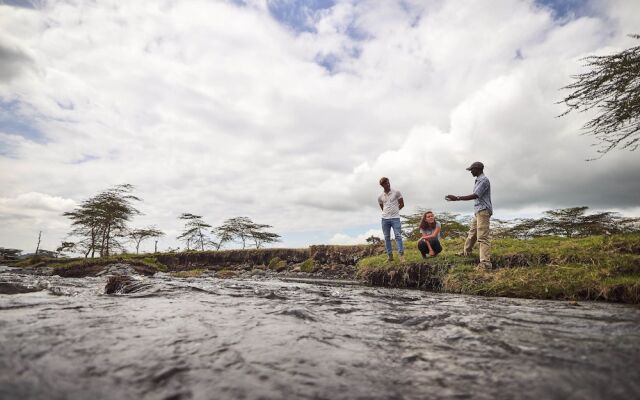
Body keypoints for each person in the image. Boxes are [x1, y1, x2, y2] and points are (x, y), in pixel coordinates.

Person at [446, 161, 492, 269]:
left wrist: (457, 198)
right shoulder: (478, 180)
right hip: (479, 211)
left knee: (482, 237)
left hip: (483, 210)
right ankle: (466, 252)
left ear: (478, 169)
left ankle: (485, 262)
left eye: (472, 169)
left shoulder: (484, 180)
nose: (470, 171)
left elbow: (476, 195)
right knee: (472, 233)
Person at [378, 177, 404, 261]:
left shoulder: (396, 192)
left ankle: (401, 256)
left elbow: (402, 204)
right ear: (382, 185)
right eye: (385, 183)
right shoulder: (380, 196)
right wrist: (387, 213)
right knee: (386, 237)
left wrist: (395, 211)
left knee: (398, 236)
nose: (388, 184)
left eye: (388, 182)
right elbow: (382, 207)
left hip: (395, 218)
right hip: (384, 219)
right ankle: (390, 256)